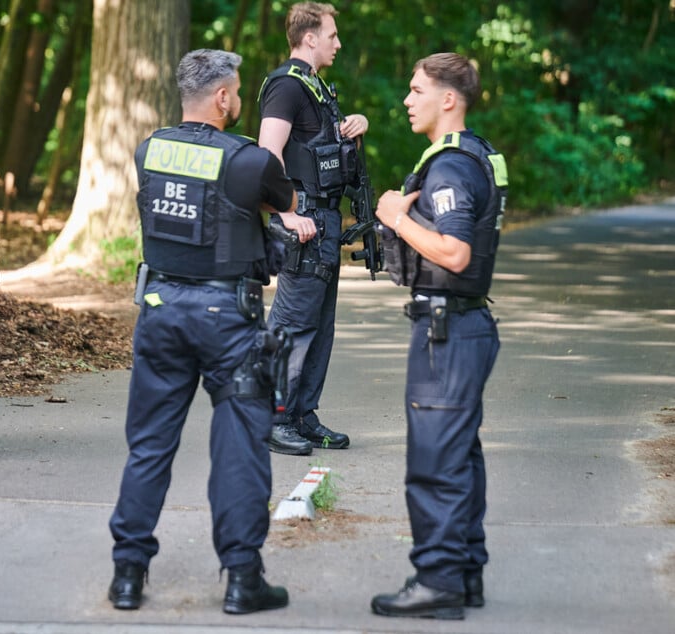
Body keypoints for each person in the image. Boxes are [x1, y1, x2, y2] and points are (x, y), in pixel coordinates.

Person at [108, 48, 305, 615]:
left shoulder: (150, 150)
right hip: (229, 321)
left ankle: (128, 574)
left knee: (148, 446)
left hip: (160, 309)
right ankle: (243, 579)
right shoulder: (249, 160)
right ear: (223, 98)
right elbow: (285, 201)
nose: (239, 100)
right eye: (237, 92)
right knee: (241, 447)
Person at [370, 52, 507, 620]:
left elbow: (454, 252)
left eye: (416, 89)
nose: (407, 99)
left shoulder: (450, 167)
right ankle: (465, 573)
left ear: (448, 99)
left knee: (435, 461)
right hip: (465, 326)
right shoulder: (478, 155)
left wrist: (395, 218)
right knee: (460, 455)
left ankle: (438, 582)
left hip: (446, 332)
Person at [258, 2, 368, 456]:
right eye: (332, 35)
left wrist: (351, 129)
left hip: (323, 222)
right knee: (292, 323)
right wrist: (286, 213)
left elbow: (312, 149)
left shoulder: (316, 87)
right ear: (309, 39)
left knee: (320, 326)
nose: (338, 43)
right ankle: (272, 417)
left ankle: (302, 416)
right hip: (302, 221)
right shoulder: (286, 85)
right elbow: (268, 154)